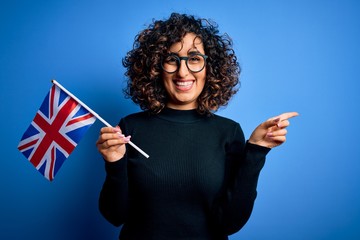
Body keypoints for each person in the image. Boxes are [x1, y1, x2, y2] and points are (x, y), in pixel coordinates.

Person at [96, 12, 298, 240]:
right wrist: (114, 164)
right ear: (156, 68)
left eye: (194, 58)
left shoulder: (228, 132)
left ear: (209, 67)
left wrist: (257, 150)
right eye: (172, 59)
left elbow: (230, 223)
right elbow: (114, 215)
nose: (183, 72)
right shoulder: (130, 128)